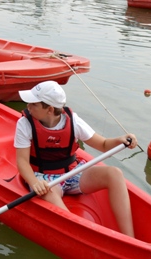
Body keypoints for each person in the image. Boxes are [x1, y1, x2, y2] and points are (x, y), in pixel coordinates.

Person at [14, 80, 138, 237]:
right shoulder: (24, 124)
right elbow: (22, 161)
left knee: (114, 173)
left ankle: (130, 238)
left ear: (50, 109)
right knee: (48, 193)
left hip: (73, 173)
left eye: (34, 104)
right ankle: (80, 234)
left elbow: (103, 144)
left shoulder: (73, 121)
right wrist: (34, 183)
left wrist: (120, 140)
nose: (28, 107)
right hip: (44, 179)